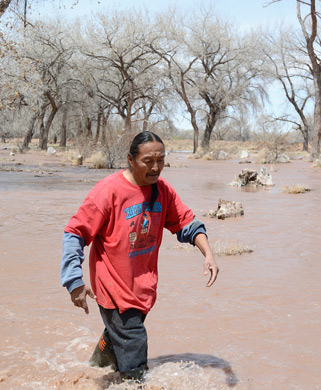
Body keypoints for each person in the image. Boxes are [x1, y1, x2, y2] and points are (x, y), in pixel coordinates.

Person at [60, 131, 219, 381]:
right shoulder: (108, 192)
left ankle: (92, 373)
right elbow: (74, 234)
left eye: (161, 160)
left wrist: (208, 252)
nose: (156, 168)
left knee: (119, 339)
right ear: (130, 160)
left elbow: (186, 223)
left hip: (143, 287)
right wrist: (74, 282)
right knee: (135, 361)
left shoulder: (162, 191)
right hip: (114, 289)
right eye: (148, 161)